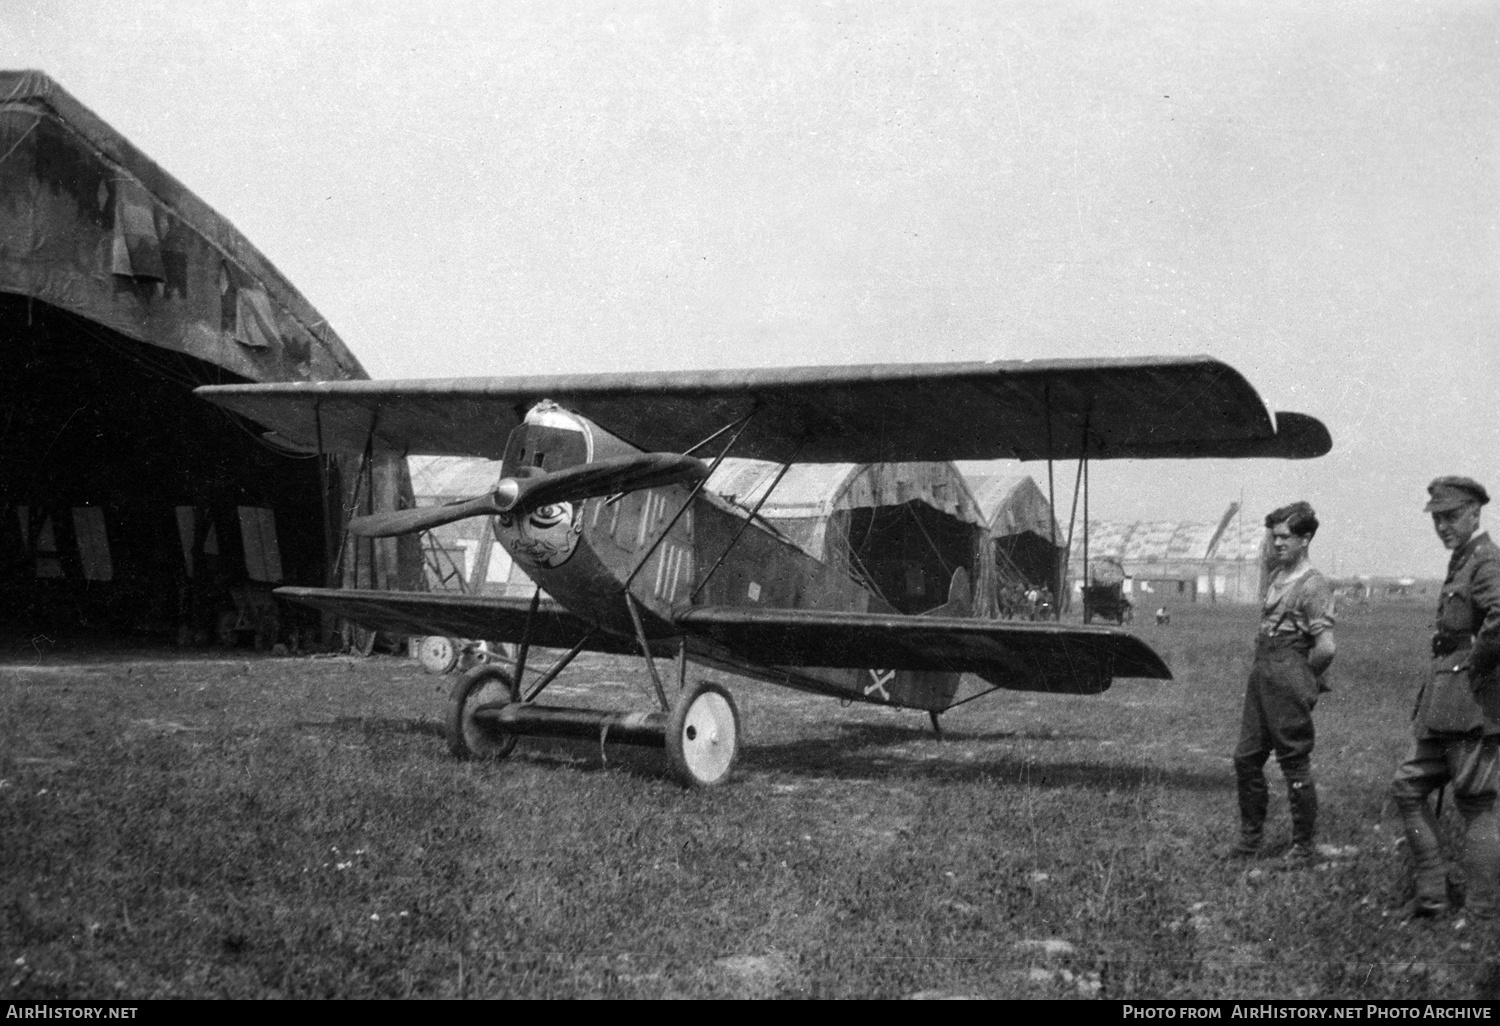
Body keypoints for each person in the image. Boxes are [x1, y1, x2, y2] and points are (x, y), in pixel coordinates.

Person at [1389, 476, 1500, 918]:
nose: (1442, 526)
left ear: (1475, 512)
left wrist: (1479, 663)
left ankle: (1482, 909)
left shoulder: (1485, 561)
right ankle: (1433, 896)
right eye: (1437, 518)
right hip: (1445, 703)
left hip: (1471, 703)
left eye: (1451, 516)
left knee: (1476, 804)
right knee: (1407, 788)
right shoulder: (1464, 560)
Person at [1230, 501, 1337, 865]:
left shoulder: (1313, 585)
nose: (1277, 544)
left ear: (1305, 539)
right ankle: (1250, 841)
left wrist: (1303, 676)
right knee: (1245, 758)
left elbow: (1326, 647)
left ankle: (1304, 847)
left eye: (1285, 537)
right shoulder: (1278, 576)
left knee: (1293, 761)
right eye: (1274, 537)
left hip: (1289, 671)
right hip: (1263, 673)